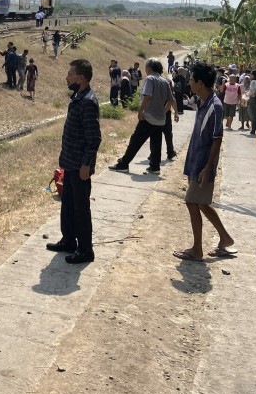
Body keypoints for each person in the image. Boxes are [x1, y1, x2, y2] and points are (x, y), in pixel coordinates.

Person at [173, 62, 236, 261]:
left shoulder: (215, 106)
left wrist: (207, 168)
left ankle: (197, 249)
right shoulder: (203, 102)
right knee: (201, 203)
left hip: (203, 164)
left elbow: (217, 138)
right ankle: (225, 238)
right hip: (196, 162)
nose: (190, 83)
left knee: (192, 202)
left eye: (192, 81)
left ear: (200, 83)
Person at [46, 59, 101, 264]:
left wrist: (86, 164)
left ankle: (85, 250)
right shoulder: (78, 97)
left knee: (80, 208)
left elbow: (94, 137)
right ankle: (69, 240)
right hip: (69, 162)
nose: (67, 77)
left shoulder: (87, 101)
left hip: (79, 166)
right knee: (68, 205)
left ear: (80, 78)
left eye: (70, 74)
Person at [109, 58, 174, 176]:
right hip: (160, 119)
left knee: (135, 140)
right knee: (156, 142)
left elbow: (147, 97)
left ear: (148, 69)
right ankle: (155, 167)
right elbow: (171, 100)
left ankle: (123, 164)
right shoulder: (164, 81)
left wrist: (140, 112)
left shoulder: (150, 79)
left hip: (148, 117)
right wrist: (163, 112)